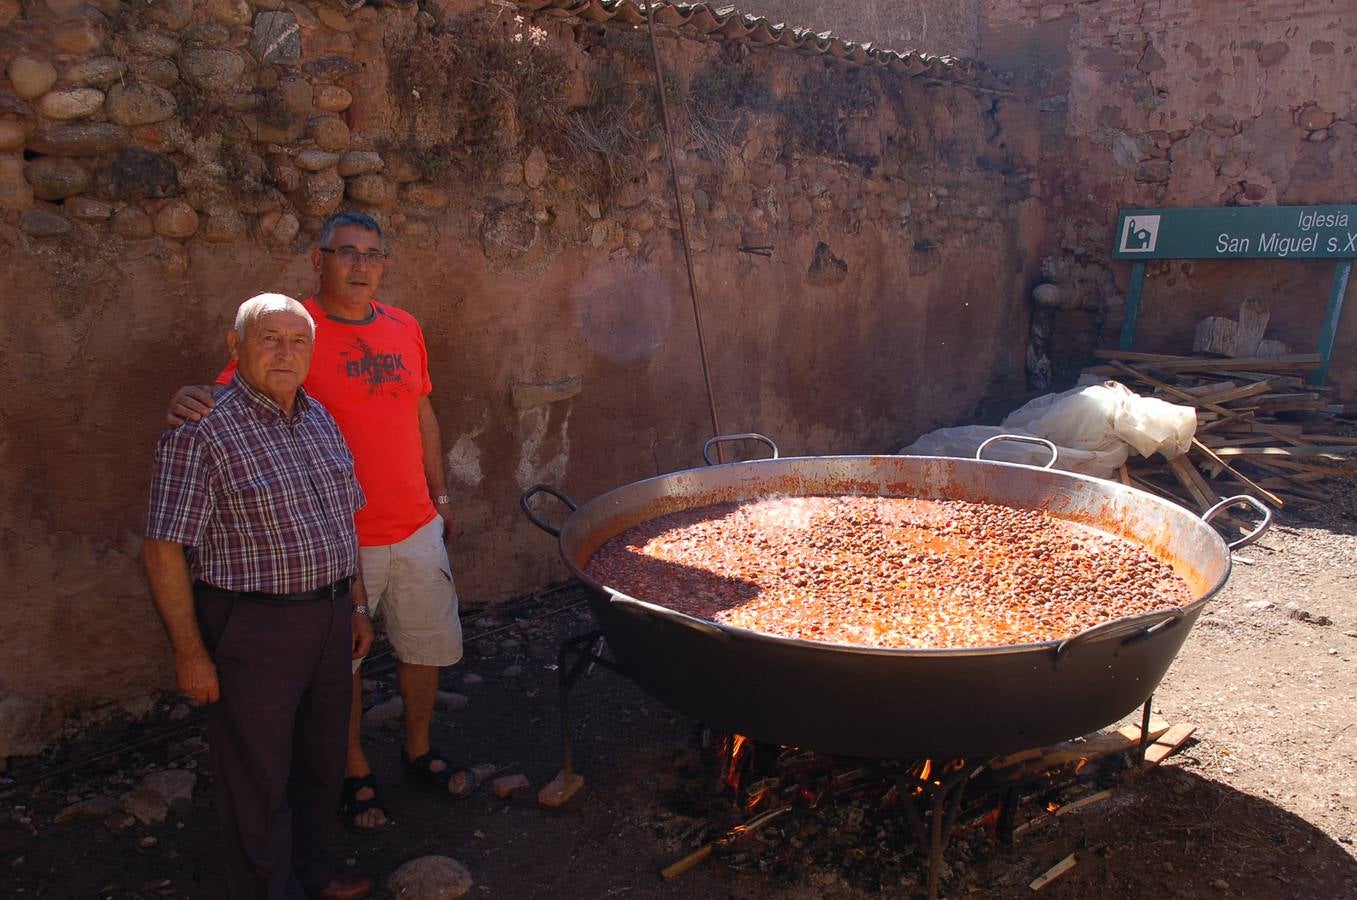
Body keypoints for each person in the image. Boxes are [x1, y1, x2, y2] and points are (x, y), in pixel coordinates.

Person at [165, 212, 471, 833]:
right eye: (346, 253)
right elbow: (231, 393)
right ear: (318, 259)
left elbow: (423, 412)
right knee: (343, 671)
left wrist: (439, 496)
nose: (361, 266)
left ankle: (417, 747)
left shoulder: (405, 326)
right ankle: (353, 767)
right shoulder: (292, 329)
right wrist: (185, 400)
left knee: (425, 647)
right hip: (338, 540)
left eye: (373, 254)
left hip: (414, 525)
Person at [144, 294, 374, 900]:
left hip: (328, 617)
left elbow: (343, 518)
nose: (284, 352)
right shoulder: (202, 428)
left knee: (321, 760)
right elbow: (163, 547)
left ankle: (312, 869)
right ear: (235, 346)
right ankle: (270, 889)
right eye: (269, 338)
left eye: (298, 341)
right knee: (257, 774)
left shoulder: (319, 417)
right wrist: (190, 653)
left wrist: (354, 603)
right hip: (252, 626)